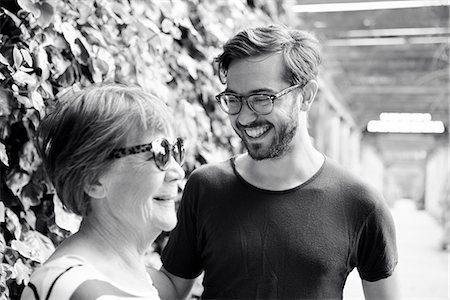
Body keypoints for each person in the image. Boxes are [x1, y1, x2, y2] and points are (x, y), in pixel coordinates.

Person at [151, 24, 399, 299]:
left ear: (305, 96)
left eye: (262, 98)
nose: (244, 118)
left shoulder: (360, 203)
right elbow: (172, 288)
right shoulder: (206, 186)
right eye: (234, 99)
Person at [20, 84, 185, 300]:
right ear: (93, 179)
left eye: (176, 150)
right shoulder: (78, 287)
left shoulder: (125, 279)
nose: (178, 172)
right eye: (159, 152)